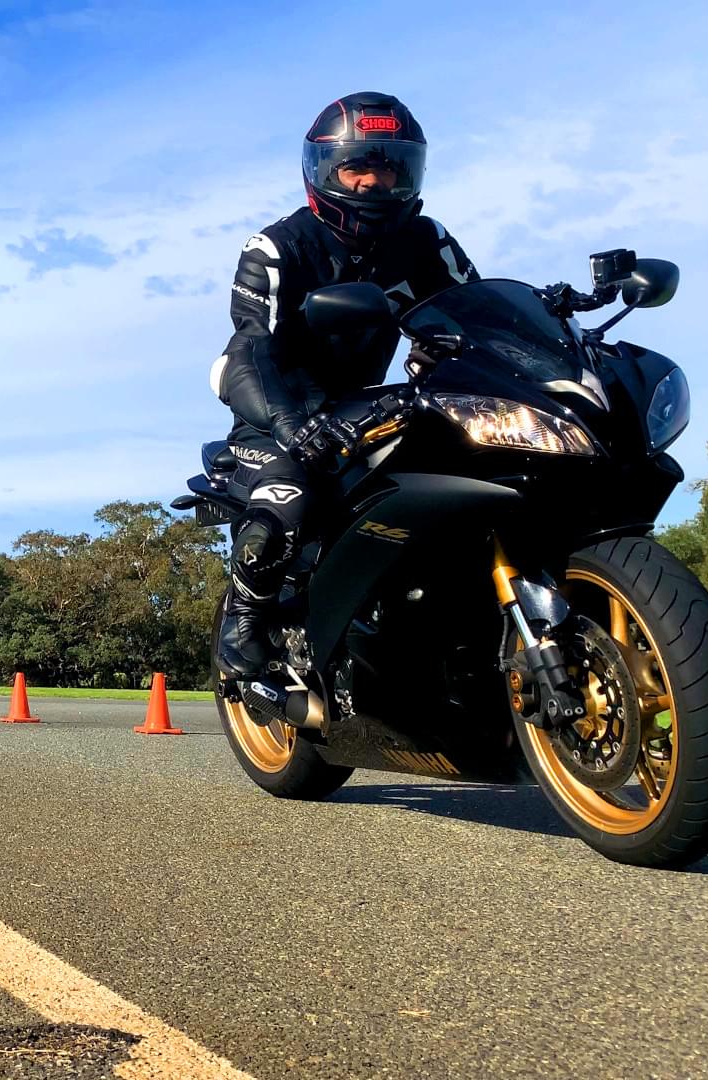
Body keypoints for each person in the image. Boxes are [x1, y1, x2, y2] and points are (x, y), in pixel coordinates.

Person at [208, 91, 480, 680]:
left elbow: (474, 312)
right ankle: (244, 622)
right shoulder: (276, 248)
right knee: (288, 499)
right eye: (357, 168)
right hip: (277, 406)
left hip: (367, 402)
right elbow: (251, 350)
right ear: (324, 171)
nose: (371, 184)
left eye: (387, 170)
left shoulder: (427, 240)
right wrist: (292, 426)